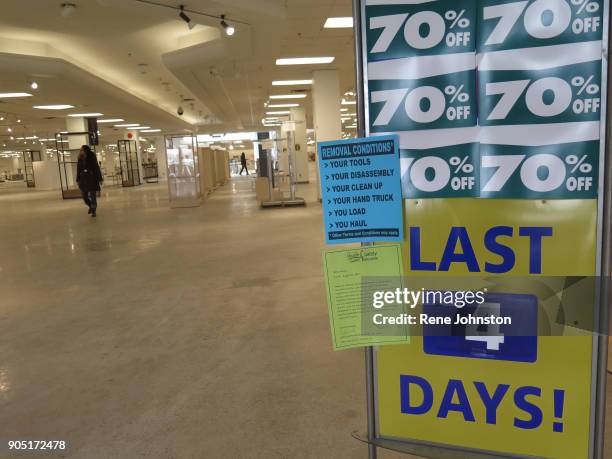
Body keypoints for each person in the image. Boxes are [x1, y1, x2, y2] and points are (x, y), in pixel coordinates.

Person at [76, 145, 103, 217]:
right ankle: (91, 205)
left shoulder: (92, 156)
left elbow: (96, 167)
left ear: (85, 150)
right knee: (84, 196)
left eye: (82, 149)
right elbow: (78, 169)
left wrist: (100, 179)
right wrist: (78, 179)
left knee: (93, 196)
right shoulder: (80, 158)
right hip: (83, 180)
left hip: (92, 179)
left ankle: (94, 210)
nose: (80, 151)